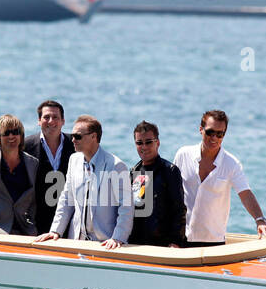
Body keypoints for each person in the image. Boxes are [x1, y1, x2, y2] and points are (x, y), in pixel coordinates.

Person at [172, 110, 266, 246]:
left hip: (213, 242)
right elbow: (170, 192)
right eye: (210, 132)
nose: (214, 138)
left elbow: (245, 193)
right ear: (201, 130)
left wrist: (260, 220)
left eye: (220, 134)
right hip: (180, 237)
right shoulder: (183, 154)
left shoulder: (231, 164)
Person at [34, 115, 133, 249]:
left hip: (105, 243)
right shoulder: (73, 160)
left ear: (94, 136)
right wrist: (55, 231)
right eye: (73, 135)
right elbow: (66, 199)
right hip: (76, 241)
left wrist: (117, 238)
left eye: (78, 136)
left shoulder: (116, 165)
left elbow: (126, 207)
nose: (73, 140)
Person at [127, 121, 186, 247]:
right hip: (135, 244)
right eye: (139, 143)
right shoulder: (133, 172)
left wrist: (175, 241)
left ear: (157, 143)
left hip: (162, 246)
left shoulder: (170, 171)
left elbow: (179, 210)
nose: (144, 146)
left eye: (148, 142)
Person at [22, 99, 74, 234]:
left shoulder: (75, 145)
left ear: (63, 121)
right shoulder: (26, 146)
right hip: (35, 221)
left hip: (70, 221)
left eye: (55, 117)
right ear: (39, 121)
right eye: (46, 117)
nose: (51, 121)